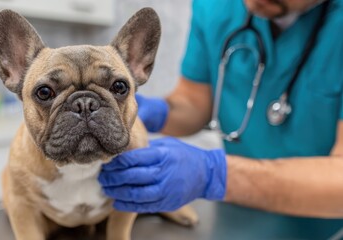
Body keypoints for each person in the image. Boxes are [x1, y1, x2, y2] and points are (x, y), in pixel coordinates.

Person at [98, 0, 343, 239]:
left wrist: (215, 174)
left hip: (326, 223)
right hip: (238, 212)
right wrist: (156, 110)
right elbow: (194, 102)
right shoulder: (215, 6)